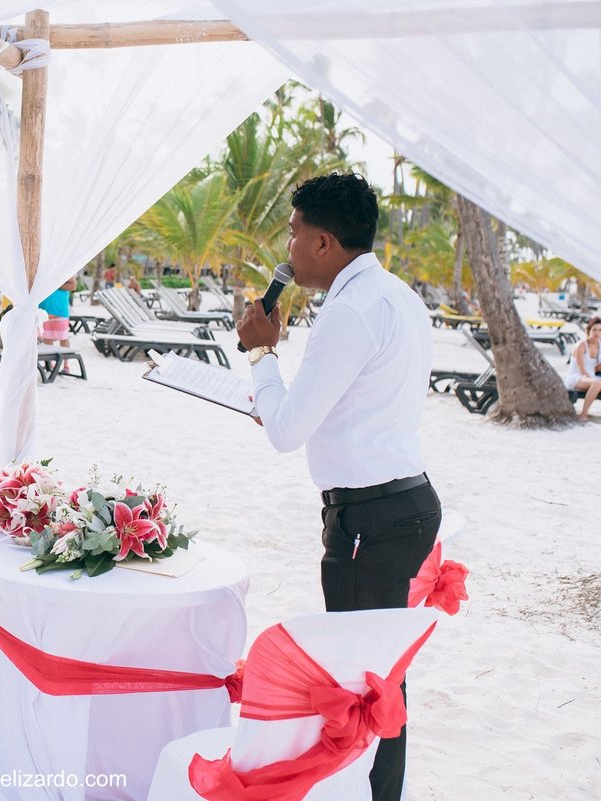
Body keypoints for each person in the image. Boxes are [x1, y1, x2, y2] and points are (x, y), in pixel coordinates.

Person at [236, 172, 439, 801]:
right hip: (402, 503)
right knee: (381, 677)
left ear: (324, 242)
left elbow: (287, 431)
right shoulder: (396, 294)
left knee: (361, 685)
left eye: (294, 232)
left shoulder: (349, 310)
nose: (287, 247)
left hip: (370, 521)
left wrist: (262, 355)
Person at [565, 316, 601, 420]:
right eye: (594, 329)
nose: (597, 333)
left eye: (600, 330)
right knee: (597, 383)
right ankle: (583, 415)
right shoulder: (581, 345)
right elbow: (582, 369)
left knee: (597, 383)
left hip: (592, 378)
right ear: (589, 330)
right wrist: (593, 379)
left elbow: (597, 368)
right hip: (577, 378)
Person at [38, 276, 76, 347]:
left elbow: (73, 286)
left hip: (60, 312)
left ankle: (65, 358)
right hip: (44, 311)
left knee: (63, 338)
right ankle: (49, 358)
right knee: (47, 338)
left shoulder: (63, 268)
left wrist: (54, 284)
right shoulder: (41, 268)